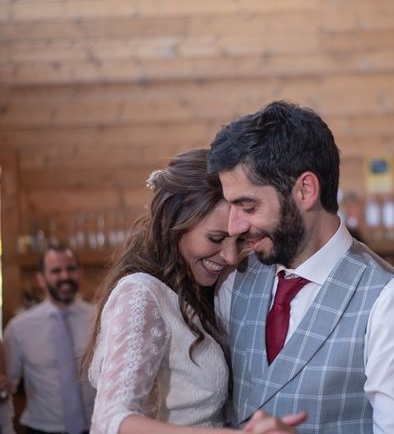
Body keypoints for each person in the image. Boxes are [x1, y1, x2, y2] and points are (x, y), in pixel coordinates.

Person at [209, 100, 394, 433]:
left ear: (305, 190)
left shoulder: (389, 301)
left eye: (248, 206)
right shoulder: (234, 284)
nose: (234, 226)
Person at [83, 149, 304, 434]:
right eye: (216, 238)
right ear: (172, 222)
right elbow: (110, 420)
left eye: (240, 242)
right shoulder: (141, 293)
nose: (231, 257)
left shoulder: (190, 291)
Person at [4, 244, 96, 434]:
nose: (65, 276)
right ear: (41, 279)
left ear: (80, 272)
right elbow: (6, 386)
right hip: (41, 429)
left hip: (96, 427)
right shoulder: (18, 328)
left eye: (71, 269)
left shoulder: (100, 318)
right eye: (56, 271)